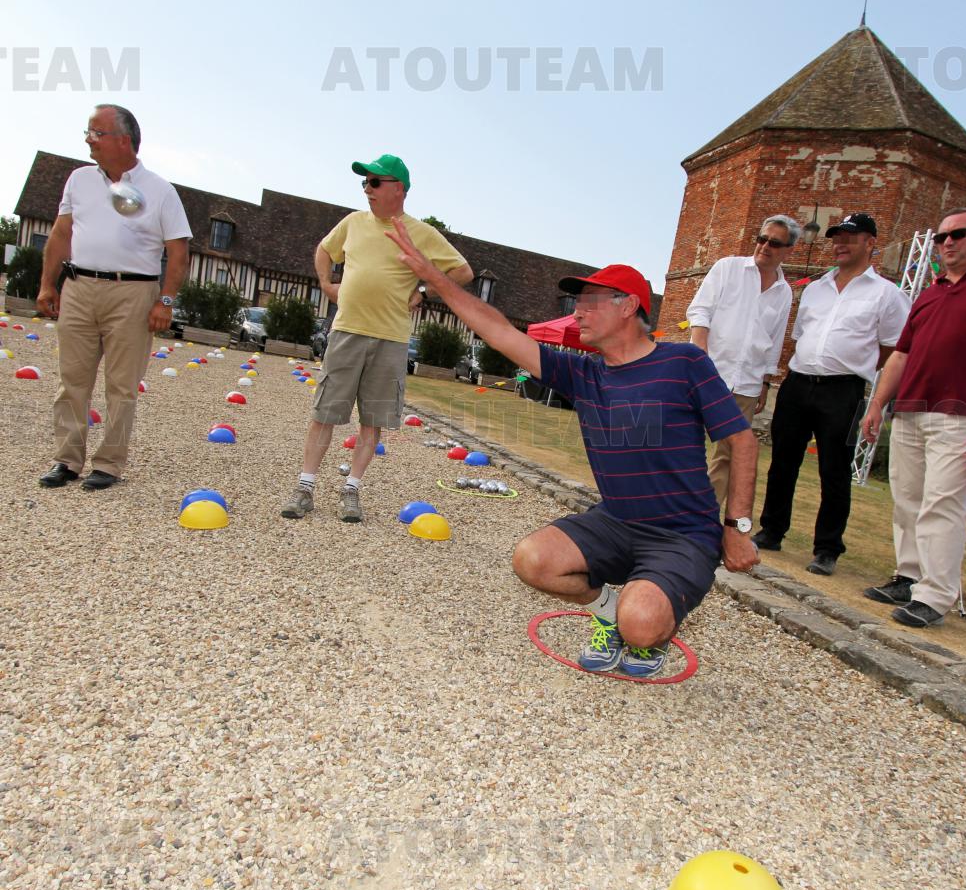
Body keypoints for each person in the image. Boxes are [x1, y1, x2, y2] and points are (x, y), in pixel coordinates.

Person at [387, 218, 759, 678]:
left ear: (628, 306)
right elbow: (498, 330)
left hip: (683, 533)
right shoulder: (583, 373)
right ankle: (608, 612)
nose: (577, 313)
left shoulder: (684, 362)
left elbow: (741, 439)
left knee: (641, 625)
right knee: (532, 560)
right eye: (576, 303)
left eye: (589, 303)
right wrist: (437, 279)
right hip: (617, 521)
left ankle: (643, 630)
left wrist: (736, 527)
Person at [280, 154, 473, 523]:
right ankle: (304, 488)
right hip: (347, 331)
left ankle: (351, 490)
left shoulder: (421, 233)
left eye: (374, 182)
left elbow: (463, 271)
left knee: (372, 420)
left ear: (398, 189)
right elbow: (324, 250)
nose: (366, 189)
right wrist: (325, 283)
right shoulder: (353, 222)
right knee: (325, 414)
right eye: (364, 183)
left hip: (390, 339)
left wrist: (426, 292)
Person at [36, 104, 191, 491]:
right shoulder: (79, 180)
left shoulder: (160, 190)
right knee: (71, 380)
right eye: (88, 133)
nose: (89, 140)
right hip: (79, 287)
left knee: (122, 386)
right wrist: (46, 284)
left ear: (124, 140)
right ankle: (67, 460)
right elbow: (60, 234)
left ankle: (109, 463)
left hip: (133, 294)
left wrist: (166, 301)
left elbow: (178, 251)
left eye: (96, 133)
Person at [861, 206, 966, 627]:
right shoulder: (930, 291)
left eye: (958, 234)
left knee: (942, 502)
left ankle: (936, 595)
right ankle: (908, 575)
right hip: (910, 409)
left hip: (963, 412)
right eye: (941, 237)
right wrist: (877, 403)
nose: (948, 243)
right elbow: (901, 353)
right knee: (907, 498)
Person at [753, 213, 910, 576]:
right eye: (837, 237)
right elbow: (800, 336)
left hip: (843, 389)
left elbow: (893, 348)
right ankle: (772, 530)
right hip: (799, 382)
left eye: (850, 238)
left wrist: (857, 365)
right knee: (783, 463)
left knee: (834, 470)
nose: (840, 243)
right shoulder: (816, 288)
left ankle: (827, 548)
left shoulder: (887, 294)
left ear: (870, 243)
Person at [686, 215, 799, 512]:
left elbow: (775, 341)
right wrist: (700, 359)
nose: (764, 246)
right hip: (707, 374)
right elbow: (699, 312)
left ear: (788, 249)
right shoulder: (728, 268)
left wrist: (765, 383)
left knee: (728, 454)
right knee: (682, 442)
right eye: (761, 239)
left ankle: (702, 515)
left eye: (774, 243)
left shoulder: (785, 291)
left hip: (746, 383)